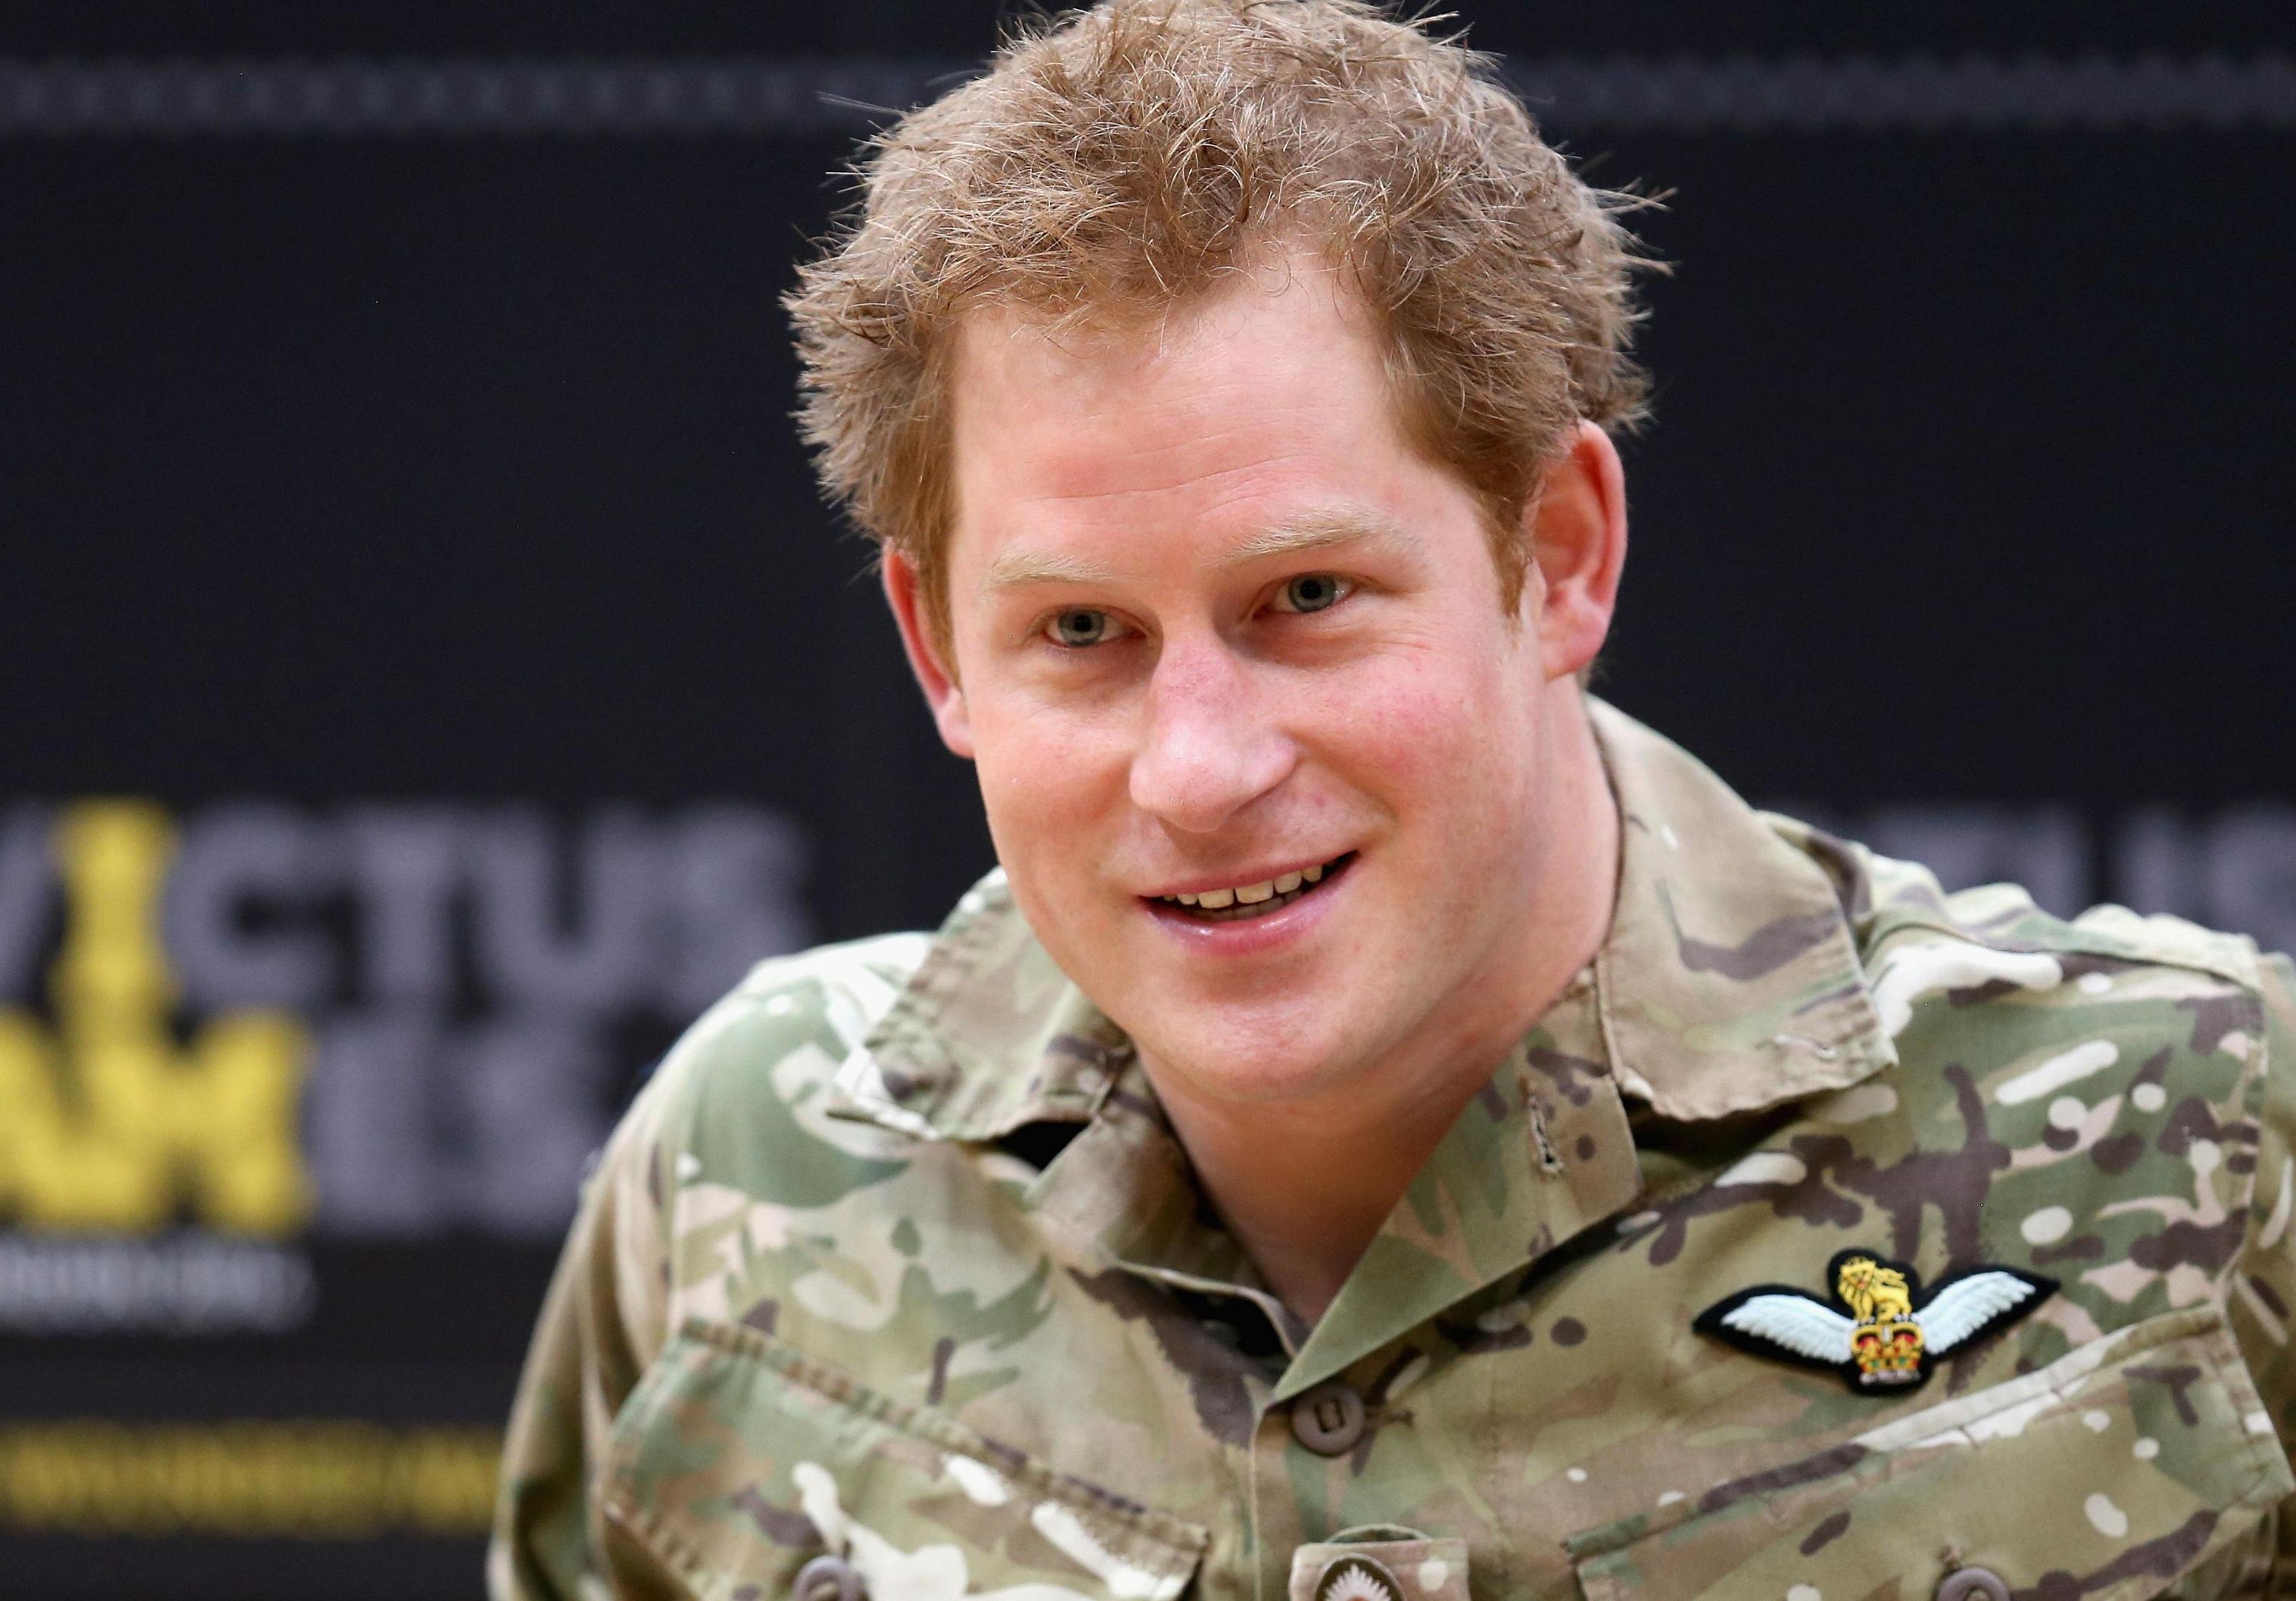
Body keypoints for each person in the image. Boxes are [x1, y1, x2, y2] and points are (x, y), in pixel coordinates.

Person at [489, 4, 2296, 1598]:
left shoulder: (2208, 1137)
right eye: (1081, 631)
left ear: (1560, 556)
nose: (1198, 769)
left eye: (1308, 602)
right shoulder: (754, 1163)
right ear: (937, 651)